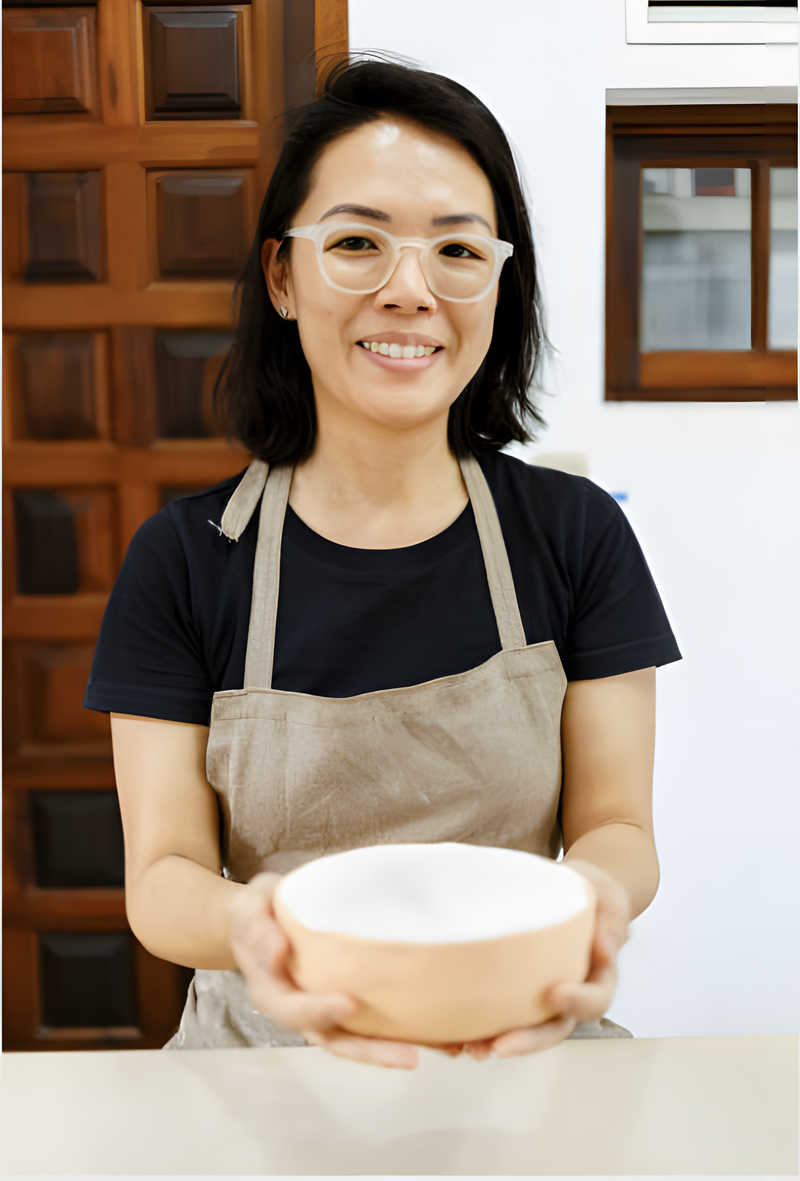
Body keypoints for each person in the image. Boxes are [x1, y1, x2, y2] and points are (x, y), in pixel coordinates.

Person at [85, 58, 681, 1068]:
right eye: (356, 243)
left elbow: (617, 823)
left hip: (518, 1042)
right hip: (262, 1062)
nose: (409, 291)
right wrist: (271, 936)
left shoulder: (573, 534)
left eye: (456, 249)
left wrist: (583, 913)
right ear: (282, 275)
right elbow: (166, 876)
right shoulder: (186, 558)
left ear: (497, 283)